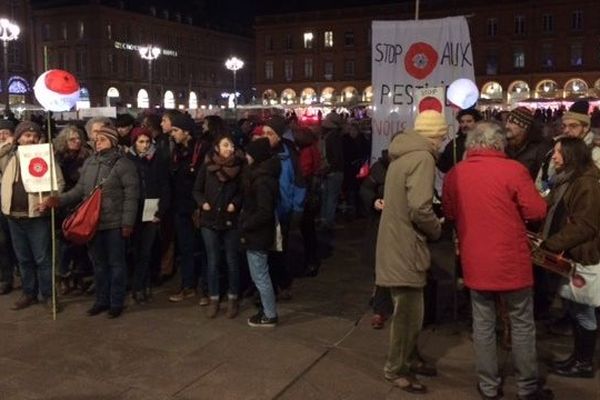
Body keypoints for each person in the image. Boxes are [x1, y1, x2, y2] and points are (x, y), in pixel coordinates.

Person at [443, 122, 552, 400]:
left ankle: (488, 385)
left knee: (483, 323)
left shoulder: (457, 173)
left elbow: (450, 211)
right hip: (510, 258)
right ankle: (527, 386)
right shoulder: (514, 170)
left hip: (475, 257)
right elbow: (536, 210)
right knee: (522, 322)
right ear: (499, 144)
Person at [376, 110, 447, 394]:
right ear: (436, 135)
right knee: (409, 313)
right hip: (406, 244)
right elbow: (420, 207)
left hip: (394, 240)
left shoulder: (402, 154)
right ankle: (396, 369)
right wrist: (436, 229)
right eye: (443, 135)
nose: (444, 140)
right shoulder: (423, 157)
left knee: (408, 309)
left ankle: (409, 358)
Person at [45, 126, 139, 318]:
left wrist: (127, 223)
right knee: (99, 264)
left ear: (113, 141)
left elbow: (131, 196)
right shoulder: (89, 163)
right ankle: (101, 300)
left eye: (102, 139)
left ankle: (116, 302)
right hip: (93, 223)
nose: (98, 142)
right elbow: (80, 190)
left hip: (114, 223)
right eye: (96, 139)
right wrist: (58, 200)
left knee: (116, 264)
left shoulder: (124, 164)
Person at [541, 137, 600, 379]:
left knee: (584, 310)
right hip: (574, 253)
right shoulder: (569, 179)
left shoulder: (585, 183)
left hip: (584, 255)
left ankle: (584, 362)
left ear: (571, 154)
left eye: (558, 152)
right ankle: (578, 358)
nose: (554, 157)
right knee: (576, 308)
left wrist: (551, 244)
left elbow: (585, 225)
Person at [2, 121, 65, 312]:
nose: (31, 139)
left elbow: (59, 183)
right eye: (26, 136)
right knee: (24, 259)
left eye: (34, 136)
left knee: (42, 258)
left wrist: (49, 199)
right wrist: (8, 143)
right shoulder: (9, 157)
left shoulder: (45, 157)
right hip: (14, 216)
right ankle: (29, 292)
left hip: (36, 216)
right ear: (19, 138)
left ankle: (47, 295)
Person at [193, 134, 244, 318]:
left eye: (230, 145)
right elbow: (197, 189)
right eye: (224, 145)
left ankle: (232, 297)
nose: (228, 149)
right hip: (209, 219)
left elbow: (243, 191)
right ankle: (214, 297)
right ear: (216, 147)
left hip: (230, 220)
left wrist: (235, 204)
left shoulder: (239, 166)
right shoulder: (207, 166)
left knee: (231, 260)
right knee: (213, 260)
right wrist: (202, 203)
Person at [168, 113, 210, 304]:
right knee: (185, 248)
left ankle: (207, 289)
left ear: (186, 132)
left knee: (203, 248)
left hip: (197, 207)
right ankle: (188, 286)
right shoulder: (177, 150)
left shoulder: (201, 150)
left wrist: (200, 205)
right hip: (180, 207)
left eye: (176, 130)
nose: (173, 134)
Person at [240, 137, 281, 327]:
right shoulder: (263, 175)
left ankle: (270, 314)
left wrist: (246, 224)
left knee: (260, 275)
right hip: (258, 232)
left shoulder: (262, 180)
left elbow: (264, 211)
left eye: (249, 153)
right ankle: (266, 310)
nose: (246, 157)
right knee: (260, 274)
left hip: (258, 233)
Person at [126, 127, 170, 303]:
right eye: (140, 142)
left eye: (147, 141)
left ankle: (141, 286)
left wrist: (160, 211)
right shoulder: (128, 160)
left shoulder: (158, 160)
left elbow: (165, 186)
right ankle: (138, 283)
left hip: (151, 209)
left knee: (146, 250)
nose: (144, 145)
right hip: (133, 210)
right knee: (134, 250)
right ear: (134, 143)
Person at [53, 124, 93, 295]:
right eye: (72, 139)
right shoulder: (57, 158)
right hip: (64, 204)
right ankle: (63, 275)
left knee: (80, 243)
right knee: (64, 243)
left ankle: (79, 275)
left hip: (81, 204)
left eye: (78, 139)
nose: (76, 142)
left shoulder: (87, 156)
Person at [360, 148, 393, 329]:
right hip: (380, 222)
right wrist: (374, 201)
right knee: (380, 265)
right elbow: (366, 188)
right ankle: (380, 309)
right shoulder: (379, 167)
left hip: (399, 222)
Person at [504, 107, 552, 180]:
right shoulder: (505, 146)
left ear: (524, 126)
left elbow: (545, 176)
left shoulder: (540, 148)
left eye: (511, 122)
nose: (506, 126)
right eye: (507, 121)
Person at [0, 119, 17, 295]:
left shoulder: (15, 151)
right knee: (3, 242)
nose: (2, 135)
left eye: (6, 132)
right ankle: (6, 277)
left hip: (14, 201)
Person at [319, 112, 344, 230]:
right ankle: (328, 222)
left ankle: (324, 219)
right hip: (334, 170)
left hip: (325, 169)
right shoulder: (335, 137)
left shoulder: (325, 137)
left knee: (325, 197)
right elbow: (337, 156)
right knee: (331, 198)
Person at [437, 108, 482, 173]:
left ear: (476, 123)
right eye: (462, 122)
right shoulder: (454, 144)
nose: (465, 125)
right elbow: (445, 166)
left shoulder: (484, 142)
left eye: (469, 121)